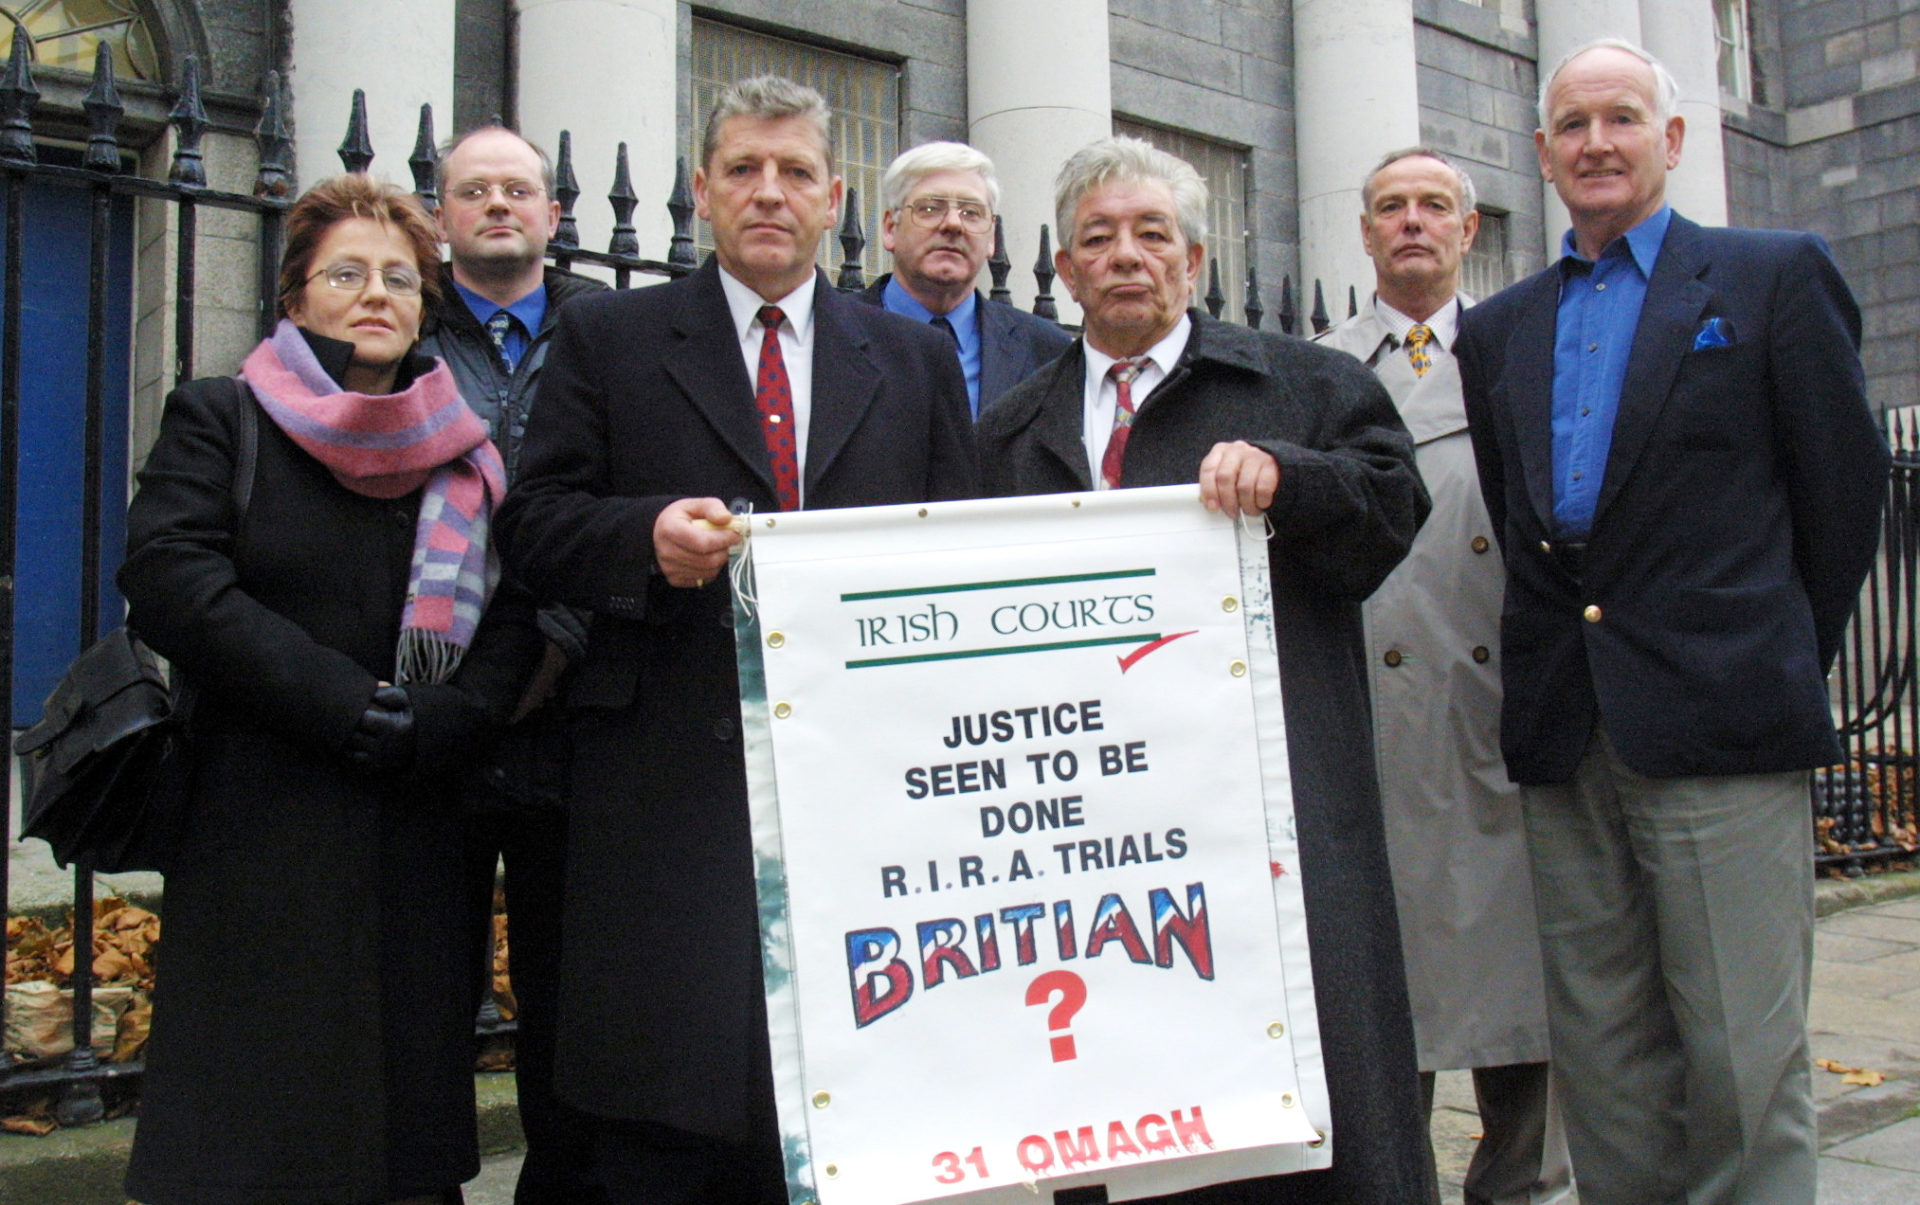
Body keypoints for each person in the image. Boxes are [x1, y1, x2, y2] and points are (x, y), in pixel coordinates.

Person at [494, 75, 978, 1203]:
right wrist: (642, 536)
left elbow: (957, 550)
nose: (770, 192)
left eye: (796, 171)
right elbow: (532, 523)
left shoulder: (907, 360)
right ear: (703, 191)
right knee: (670, 1111)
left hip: (865, 781)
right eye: (745, 170)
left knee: (849, 1081)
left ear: (835, 199)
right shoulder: (608, 335)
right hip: (666, 775)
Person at [1457, 38, 1890, 1205]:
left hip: (1724, 719)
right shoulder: (1499, 328)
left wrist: (1774, 658)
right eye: (1575, 124)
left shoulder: (1770, 276)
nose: (1598, 142)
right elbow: (1523, 515)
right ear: (1544, 152)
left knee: (1745, 1058)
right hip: (1566, 725)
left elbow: (1843, 503)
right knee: (1603, 1057)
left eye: (1622, 119)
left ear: (1673, 139)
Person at [977, 135, 1433, 1205]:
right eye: (1099, 236)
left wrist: (1293, 477)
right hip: (1091, 822)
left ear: (1193, 257)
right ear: (1066, 266)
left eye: (1153, 234)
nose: (1125, 255)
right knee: (1129, 1083)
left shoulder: (1309, 385)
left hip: (1273, 807)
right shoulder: (1010, 428)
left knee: (1303, 1095)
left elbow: (1393, 508)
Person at [119, 174, 538, 1205]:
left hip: (420, 821)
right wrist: (339, 700)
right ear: (296, 296)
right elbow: (171, 579)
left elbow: (520, 614)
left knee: (403, 1138)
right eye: (345, 273)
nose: (375, 293)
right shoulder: (225, 416)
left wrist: (447, 716)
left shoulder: (468, 456)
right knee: (258, 1131)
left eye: (400, 276)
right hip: (263, 821)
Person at [1317, 147, 1571, 1205]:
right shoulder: (1317, 368)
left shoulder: (1524, 353)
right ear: (1364, 234)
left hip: (1504, 722)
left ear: (1470, 233)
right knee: (1390, 1015)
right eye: (1391, 207)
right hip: (1374, 731)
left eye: (1435, 207)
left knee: (1533, 1017)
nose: (1412, 222)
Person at [416, 124, 607, 1205]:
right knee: (424, 985)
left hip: (572, 704)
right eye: (472, 190)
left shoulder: (610, 327)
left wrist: (553, 643)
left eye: (517, 189)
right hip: (429, 705)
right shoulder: (400, 320)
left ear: (551, 213)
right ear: (442, 215)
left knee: (566, 987)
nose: (497, 204)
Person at [856, 140, 1071, 416]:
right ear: (889, 228)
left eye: (971, 213)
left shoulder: (1045, 351)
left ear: (992, 237)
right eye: (930, 208)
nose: (953, 224)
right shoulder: (831, 333)